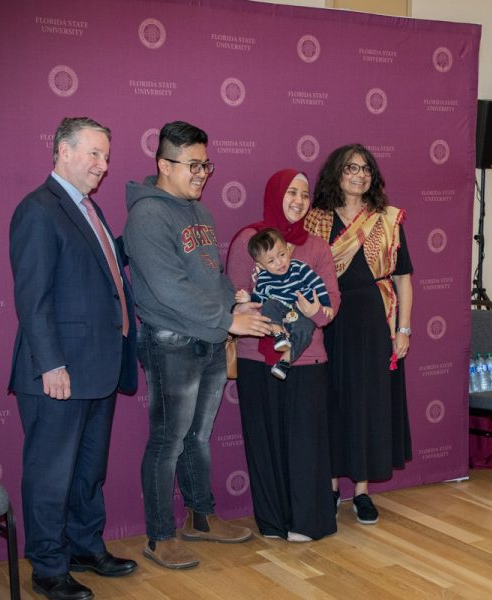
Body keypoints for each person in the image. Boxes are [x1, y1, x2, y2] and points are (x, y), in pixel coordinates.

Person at [123, 121, 271, 570]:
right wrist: (228, 319)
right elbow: (170, 289)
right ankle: (159, 535)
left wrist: (237, 302)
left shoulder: (200, 213)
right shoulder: (146, 216)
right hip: (171, 341)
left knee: (198, 436)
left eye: (206, 164)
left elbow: (211, 278)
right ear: (163, 165)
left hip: (208, 339)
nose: (203, 173)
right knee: (168, 441)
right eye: (193, 165)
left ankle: (201, 517)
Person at [9, 116, 139, 600]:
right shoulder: (39, 210)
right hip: (58, 373)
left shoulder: (89, 209)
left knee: (88, 472)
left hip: (98, 368)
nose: (103, 166)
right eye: (94, 154)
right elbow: (33, 299)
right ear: (62, 150)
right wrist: (51, 364)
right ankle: (47, 568)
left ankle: (85, 547)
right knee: (50, 475)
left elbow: (104, 270)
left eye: (106, 156)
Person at [226, 168, 340, 542]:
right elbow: (235, 300)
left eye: (305, 195)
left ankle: (307, 522)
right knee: (264, 440)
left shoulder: (318, 247)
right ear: (276, 194)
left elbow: (329, 307)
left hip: (307, 360)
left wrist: (310, 312)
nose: (298, 201)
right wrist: (273, 314)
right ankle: (273, 522)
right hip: (257, 358)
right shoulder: (251, 240)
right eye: (291, 192)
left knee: (306, 442)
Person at [305, 144, 413, 525]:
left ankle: (362, 492)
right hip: (328, 321)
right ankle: (332, 485)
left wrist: (403, 329)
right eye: (351, 167)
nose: (359, 174)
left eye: (366, 169)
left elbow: (403, 278)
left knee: (368, 403)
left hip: (373, 321)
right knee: (330, 399)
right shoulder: (314, 220)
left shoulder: (386, 220)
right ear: (336, 172)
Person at [235, 227, 334, 379]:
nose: (280, 262)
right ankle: (279, 334)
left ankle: (285, 361)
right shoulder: (263, 279)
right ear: (261, 266)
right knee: (269, 305)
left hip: (301, 311)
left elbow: (318, 284)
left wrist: (326, 304)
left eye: (281, 255)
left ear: (287, 249)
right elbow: (259, 299)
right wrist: (248, 299)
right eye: (271, 261)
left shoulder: (300, 268)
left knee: (305, 330)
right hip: (280, 311)